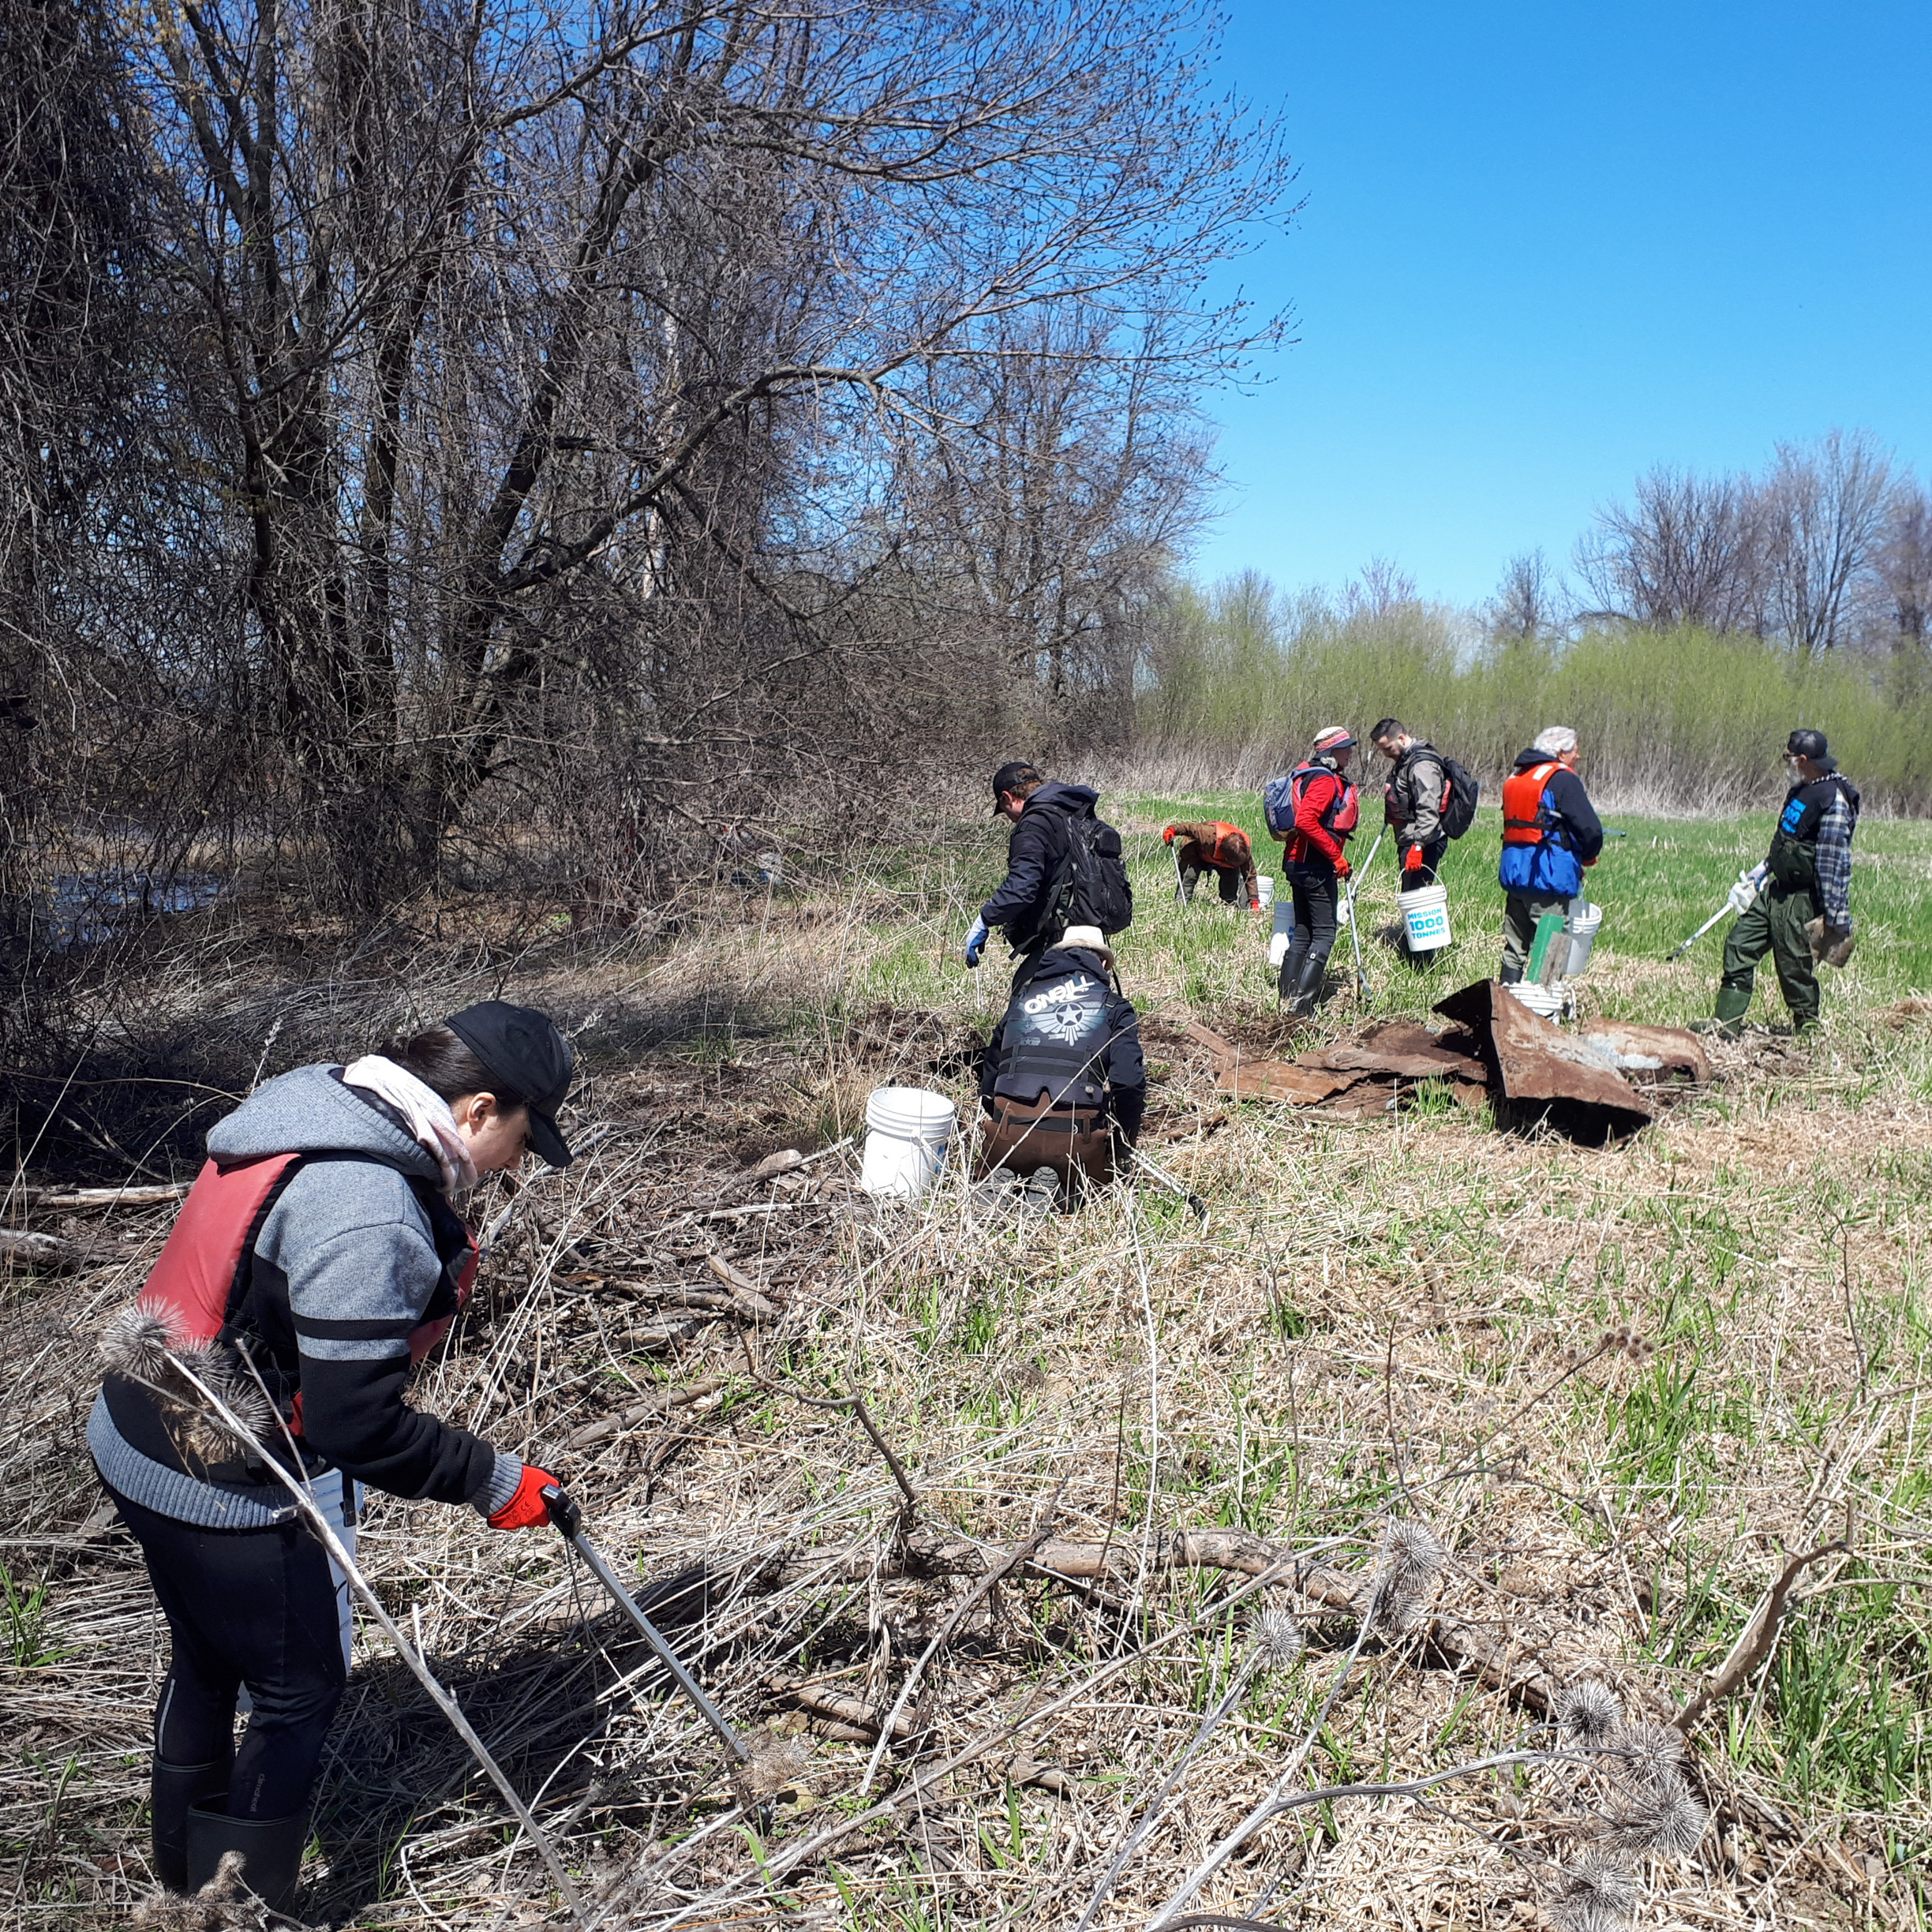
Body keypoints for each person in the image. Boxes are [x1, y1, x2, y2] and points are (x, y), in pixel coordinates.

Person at [90, 1002, 575, 1911]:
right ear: (474, 1111)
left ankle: (179, 1884)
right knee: (297, 1691)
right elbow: (358, 1428)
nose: (518, 1164)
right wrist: (494, 1480)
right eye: (522, 1135)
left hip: (131, 1431)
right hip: (220, 1482)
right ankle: (239, 1910)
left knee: (203, 1657)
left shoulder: (314, 1100)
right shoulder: (367, 1208)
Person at [1698, 728, 1858, 1037]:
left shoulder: (1833, 799)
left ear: (1802, 759)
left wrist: (1837, 918)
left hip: (1802, 898)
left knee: (1793, 966)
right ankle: (1726, 1025)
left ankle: (1807, 1030)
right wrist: (1760, 873)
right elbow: (1786, 839)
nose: (1786, 764)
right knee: (1739, 943)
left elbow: (1833, 862)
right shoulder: (1800, 790)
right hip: (1775, 890)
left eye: (1788, 758)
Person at [976, 923, 1145, 1203]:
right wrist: (1124, 1138)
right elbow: (1129, 1082)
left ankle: (1012, 1179)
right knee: (1089, 1193)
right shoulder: (1115, 1007)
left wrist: (997, 1114)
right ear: (1103, 963)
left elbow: (991, 1067)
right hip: (1075, 1142)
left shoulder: (1022, 999)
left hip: (1006, 1134)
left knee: (1011, 1154)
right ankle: (1059, 1195)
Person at [966, 761, 1133, 989]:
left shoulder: (1033, 824)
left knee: (1025, 1002)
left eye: (1004, 810)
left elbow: (1022, 886)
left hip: (1061, 937)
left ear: (1007, 798)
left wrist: (985, 919)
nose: (1009, 818)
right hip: (1094, 933)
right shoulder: (1076, 814)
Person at [1498, 727, 1603, 982]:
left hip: (1515, 873)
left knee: (1515, 947)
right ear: (1560, 752)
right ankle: (1542, 1009)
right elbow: (1590, 829)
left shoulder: (1518, 776)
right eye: (1575, 751)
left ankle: (1504, 1002)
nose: (1578, 757)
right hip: (1549, 876)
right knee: (1552, 948)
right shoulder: (1563, 779)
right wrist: (1588, 856)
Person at [1268, 726, 1361, 1016]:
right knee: (1325, 934)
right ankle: (1302, 1006)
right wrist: (1337, 857)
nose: (1350, 752)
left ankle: (1286, 996)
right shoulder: (1324, 780)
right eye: (1345, 747)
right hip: (1315, 865)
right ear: (1331, 752)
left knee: (1305, 932)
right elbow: (1307, 822)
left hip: (1297, 863)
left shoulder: (1308, 774)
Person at [1368, 719, 1449, 887]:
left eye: (1388, 748)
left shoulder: (1422, 765)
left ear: (1402, 739)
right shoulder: (1405, 761)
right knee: (1411, 895)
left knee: (1416, 899)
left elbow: (1428, 808)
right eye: (1382, 750)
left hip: (1424, 842)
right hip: (1410, 839)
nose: (1386, 754)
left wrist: (1418, 846)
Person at [1163, 819, 1261, 911]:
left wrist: (1254, 901)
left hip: (1223, 860)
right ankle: (1180, 904)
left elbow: (1250, 877)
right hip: (1196, 853)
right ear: (1225, 857)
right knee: (1189, 876)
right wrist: (1172, 830)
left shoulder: (1243, 853)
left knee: (1231, 876)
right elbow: (1188, 827)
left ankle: (1229, 906)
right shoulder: (1207, 833)